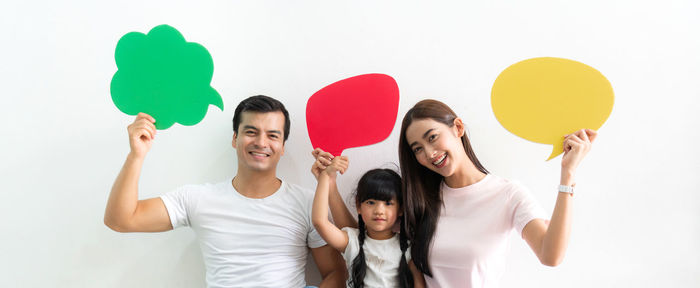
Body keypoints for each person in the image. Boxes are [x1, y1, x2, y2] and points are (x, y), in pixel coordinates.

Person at [104, 95, 346, 288]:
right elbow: (121, 220)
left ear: (282, 147)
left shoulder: (307, 202)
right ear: (235, 138)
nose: (261, 142)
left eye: (272, 135)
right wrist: (136, 155)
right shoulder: (198, 199)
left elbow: (336, 273)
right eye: (251, 132)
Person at [398, 99, 597, 287]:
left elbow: (550, 255)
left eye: (432, 137)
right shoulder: (421, 200)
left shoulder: (507, 194)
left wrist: (568, 173)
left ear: (458, 128)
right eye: (418, 149)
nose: (429, 153)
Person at [309, 150, 425, 288]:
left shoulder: (409, 249)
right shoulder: (352, 242)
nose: (379, 211)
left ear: (400, 209)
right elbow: (319, 222)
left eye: (388, 203)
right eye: (371, 202)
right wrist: (325, 177)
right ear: (359, 205)